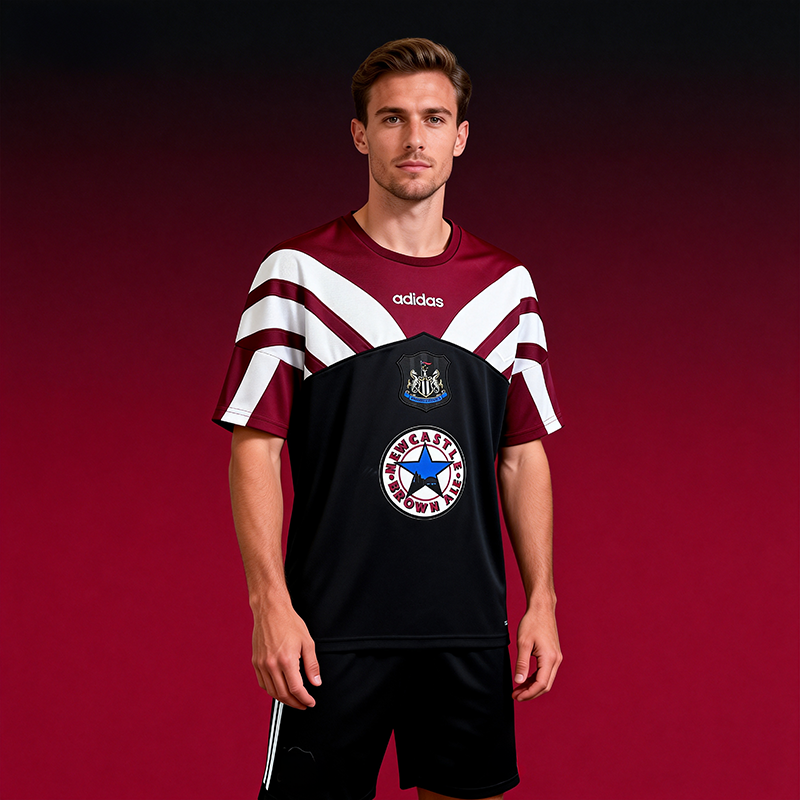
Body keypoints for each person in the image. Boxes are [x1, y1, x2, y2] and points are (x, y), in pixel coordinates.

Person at [213, 37, 563, 800]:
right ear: (360, 134)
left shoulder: (507, 287)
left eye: (434, 119)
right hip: (331, 632)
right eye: (393, 118)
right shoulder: (296, 275)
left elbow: (521, 453)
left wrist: (542, 600)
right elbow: (254, 447)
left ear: (460, 137)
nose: (414, 138)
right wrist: (269, 604)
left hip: (468, 629)